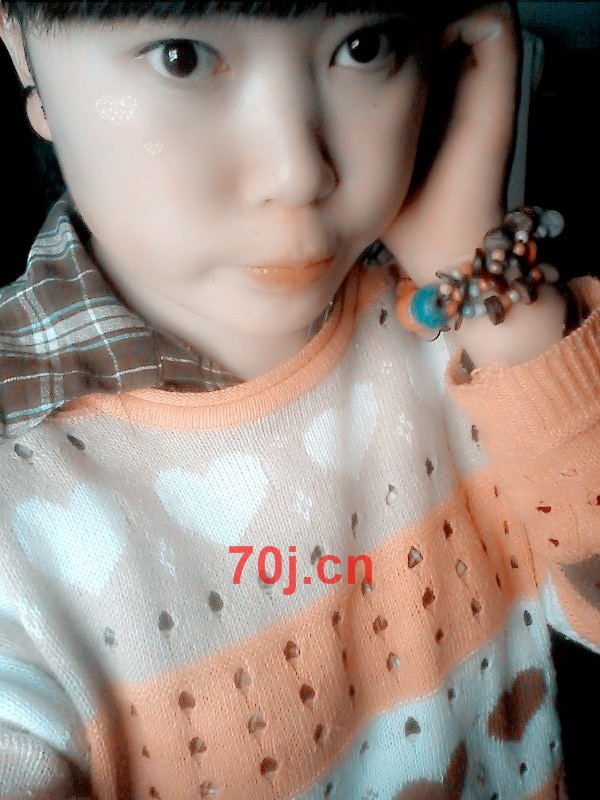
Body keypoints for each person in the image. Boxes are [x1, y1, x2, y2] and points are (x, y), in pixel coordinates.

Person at [0, 1, 598, 798]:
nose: (299, 171)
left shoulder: (464, 338)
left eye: (364, 45)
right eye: (182, 56)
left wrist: (483, 279)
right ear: (21, 48)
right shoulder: (18, 483)